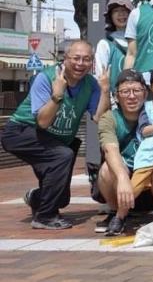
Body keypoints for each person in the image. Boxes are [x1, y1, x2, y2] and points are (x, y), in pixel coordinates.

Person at [1, 41, 108, 230]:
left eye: (86, 59)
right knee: (62, 155)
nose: (80, 64)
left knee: (61, 198)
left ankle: (37, 197)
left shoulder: (90, 84)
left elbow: (98, 117)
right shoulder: (46, 78)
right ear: (65, 59)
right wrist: (57, 95)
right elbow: (42, 122)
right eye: (76, 58)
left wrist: (105, 91)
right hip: (22, 131)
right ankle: (45, 217)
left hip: (54, 140)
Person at [94, 69, 153, 234]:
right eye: (125, 92)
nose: (131, 96)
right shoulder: (109, 118)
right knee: (107, 170)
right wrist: (123, 178)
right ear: (116, 96)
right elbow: (110, 151)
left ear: (145, 93)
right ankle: (119, 213)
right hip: (124, 186)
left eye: (136, 90)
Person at [94, 0, 134, 100]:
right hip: (113, 101)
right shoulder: (105, 44)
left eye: (125, 10)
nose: (121, 14)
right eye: (116, 11)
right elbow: (100, 76)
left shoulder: (140, 43)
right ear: (110, 16)